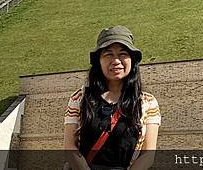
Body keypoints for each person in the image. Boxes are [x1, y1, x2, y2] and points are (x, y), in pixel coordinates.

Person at [63, 26, 160, 170]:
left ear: (132, 60)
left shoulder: (148, 102)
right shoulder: (79, 98)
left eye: (123, 53)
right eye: (108, 54)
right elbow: (70, 148)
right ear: (98, 61)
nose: (116, 61)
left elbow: (148, 154)